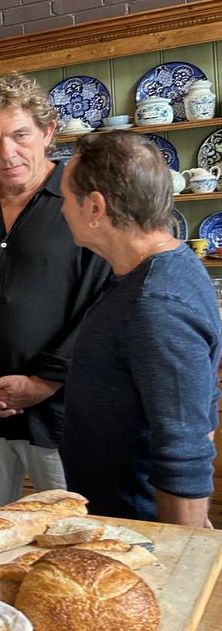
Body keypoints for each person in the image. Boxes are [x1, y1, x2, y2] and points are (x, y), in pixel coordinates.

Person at [0, 73, 110, 511]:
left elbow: (102, 306)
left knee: (74, 537)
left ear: (47, 131)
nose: (6, 153)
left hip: (62, 416)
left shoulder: (88, 203)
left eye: (19, 135)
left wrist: (43, 382)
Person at [60, 133, 219, 525]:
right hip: (117, 515)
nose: (61, 209)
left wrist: (182, 553)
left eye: (64, 198)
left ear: (95, 206)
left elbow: (184, 448)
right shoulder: (145, 273)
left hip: (140, 525)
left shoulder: (156, 305)